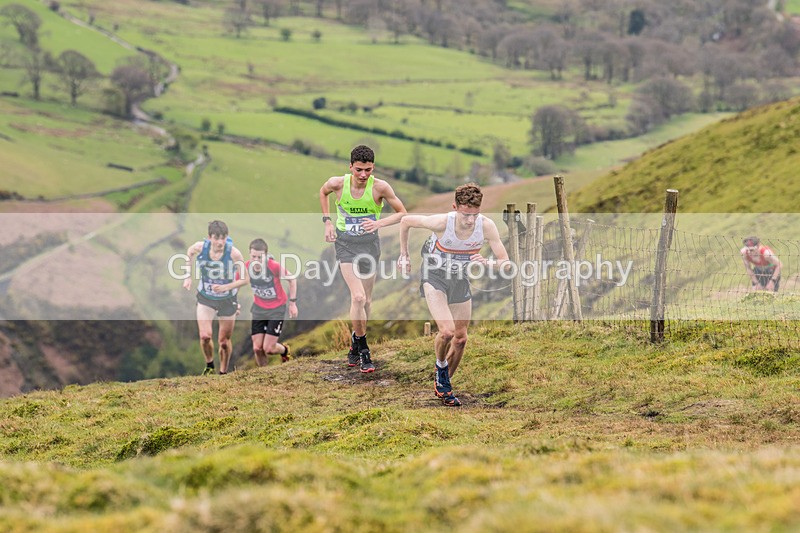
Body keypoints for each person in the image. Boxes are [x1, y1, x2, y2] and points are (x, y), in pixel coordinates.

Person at [398, 183, 510, 406]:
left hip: (459, 279)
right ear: (455, 207)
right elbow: (405, 221)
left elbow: (505, 263)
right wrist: (404, 255)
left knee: (460, 338)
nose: (470, 220)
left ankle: (444, 385)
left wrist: (488, 262)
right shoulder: (441, 223)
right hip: (434, 276)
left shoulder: (486, 227)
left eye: (475, 214)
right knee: (447, 332)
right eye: (466, 214)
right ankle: (441, 368)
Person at [319, 145, 407, 373]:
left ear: (373, 167)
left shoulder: (380, 187)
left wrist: (378, 223)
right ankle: (365, 349)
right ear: (350, 167)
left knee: (367, 301)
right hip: (345, 245)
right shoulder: (338, 183)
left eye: (368, 170)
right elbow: (323, 192)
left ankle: (354, 343)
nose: (363, 175)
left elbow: (402, 213)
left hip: (369, 246)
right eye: (359, 170)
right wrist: (327, 221)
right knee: (357, 297)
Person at [212, 238, 298, 366]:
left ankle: (285, 350)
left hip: (277, 309)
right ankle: (265, 375)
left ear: (265, 256)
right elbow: (235, 286)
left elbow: (292, 279)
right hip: (259, 309)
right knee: (257, 348)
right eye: (253, 257)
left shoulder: (273, 266)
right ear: (249, 255)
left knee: (269, 348)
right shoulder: (246, 267)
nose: (256, 261)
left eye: (260, 257)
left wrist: (292, 303)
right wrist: (234, 304)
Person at [182, 220, 244, 375]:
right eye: (217, 237)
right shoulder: (200, 247)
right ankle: (209, 366)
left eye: (223, 237)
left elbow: (244, 279)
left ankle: (223, 373)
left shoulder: (234, 253)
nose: (220, 242)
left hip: (227, 300)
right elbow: (189, 252)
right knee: (204, 336)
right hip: (206, 297)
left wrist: (227, 288)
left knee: (223, 342)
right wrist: (187, 277)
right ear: (209, 237)